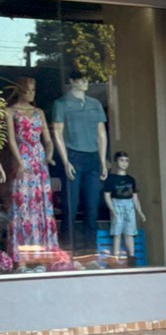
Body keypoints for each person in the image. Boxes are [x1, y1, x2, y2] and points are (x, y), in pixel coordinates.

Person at [2, 75, 65, 273]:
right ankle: (21, 258)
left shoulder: (39, 112)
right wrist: (20, 161)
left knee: (40, 206)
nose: (31, 94)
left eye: (34, 90)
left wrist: (49, 154)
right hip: (22, 159)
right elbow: (11, 140)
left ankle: (42, 256)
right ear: (20, 90)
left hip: (38, 161)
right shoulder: (10, 112)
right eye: (28, 90)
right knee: (22, 205)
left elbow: (47, 138)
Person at [51, 70, 108, 254]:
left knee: (92, 206)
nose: (85, 83)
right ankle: (69, 249)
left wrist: (103, 160)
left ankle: (91, 250)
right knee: (71, 205)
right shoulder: (61, 104)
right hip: (73, 155)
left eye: (86, 80)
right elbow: (57, 132)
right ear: (72, 81)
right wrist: (66, 160)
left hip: (92, 157)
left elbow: (101, 133)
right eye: (81, 80)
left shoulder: (95, 104)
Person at [102, 151, 145, 265]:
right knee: (117, 233)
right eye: (122, 160)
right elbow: (107, 196)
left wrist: (139, 211)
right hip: (117, 205)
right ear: (116, 162)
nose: (124, 163)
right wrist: (112, 209)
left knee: (129, 233)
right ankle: (115, 258)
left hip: (129, 206)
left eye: (126, 161)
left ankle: (131, 257)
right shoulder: (111, 179)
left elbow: (135, 196)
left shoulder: (131, 179)